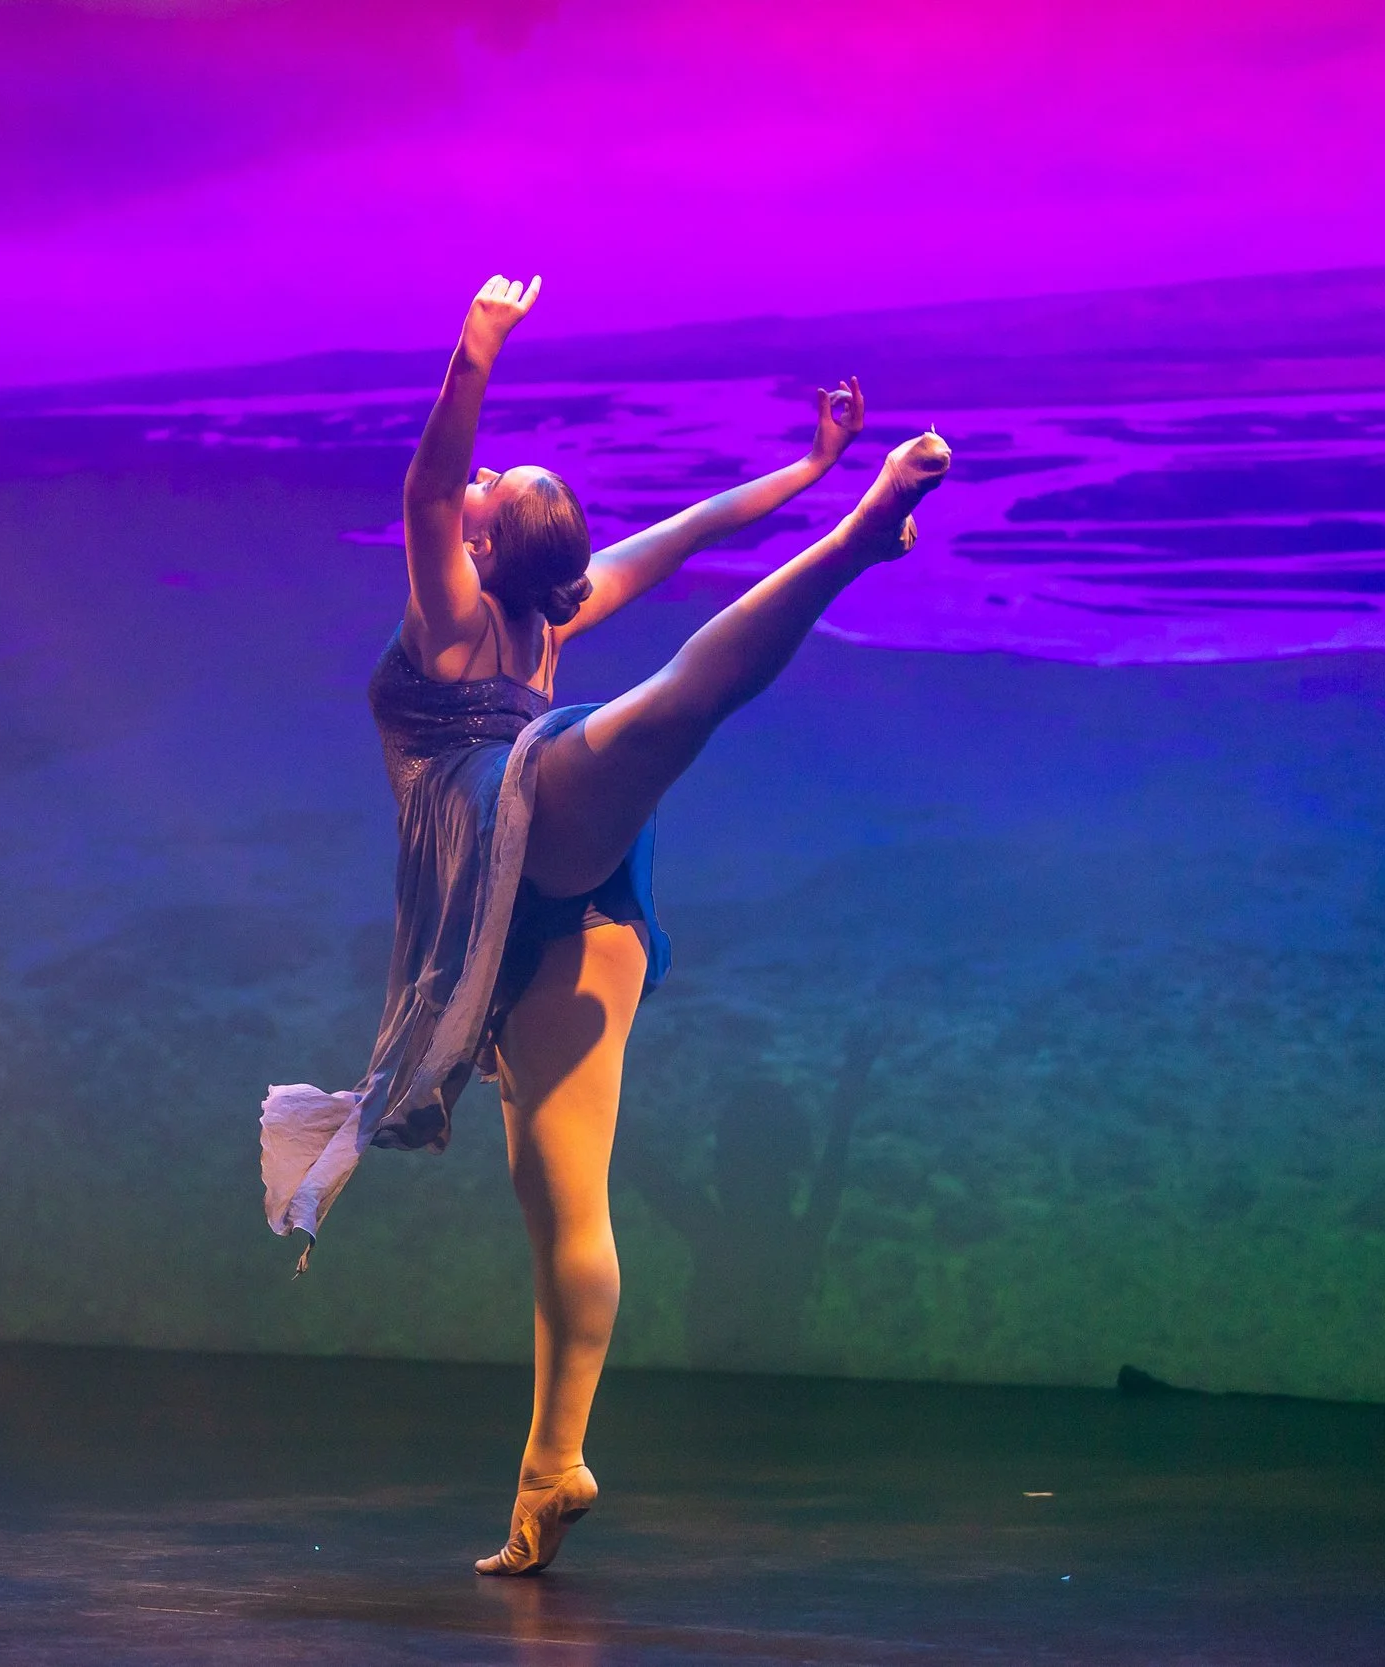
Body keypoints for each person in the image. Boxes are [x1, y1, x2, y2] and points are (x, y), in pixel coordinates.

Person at [260, 274, 949, 1575]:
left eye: (493, 488)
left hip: (527, 823)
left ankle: (858, 543)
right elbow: (683, 533)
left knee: (671, 707)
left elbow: (424, 485)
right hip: (580, 914)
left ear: (478, 551)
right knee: (559, 1202)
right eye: (500, 479)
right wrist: (798, 466)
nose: (473, 489)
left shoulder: (457, 617)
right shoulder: (545, 611)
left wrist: (472, 356)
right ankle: (547, 1471)